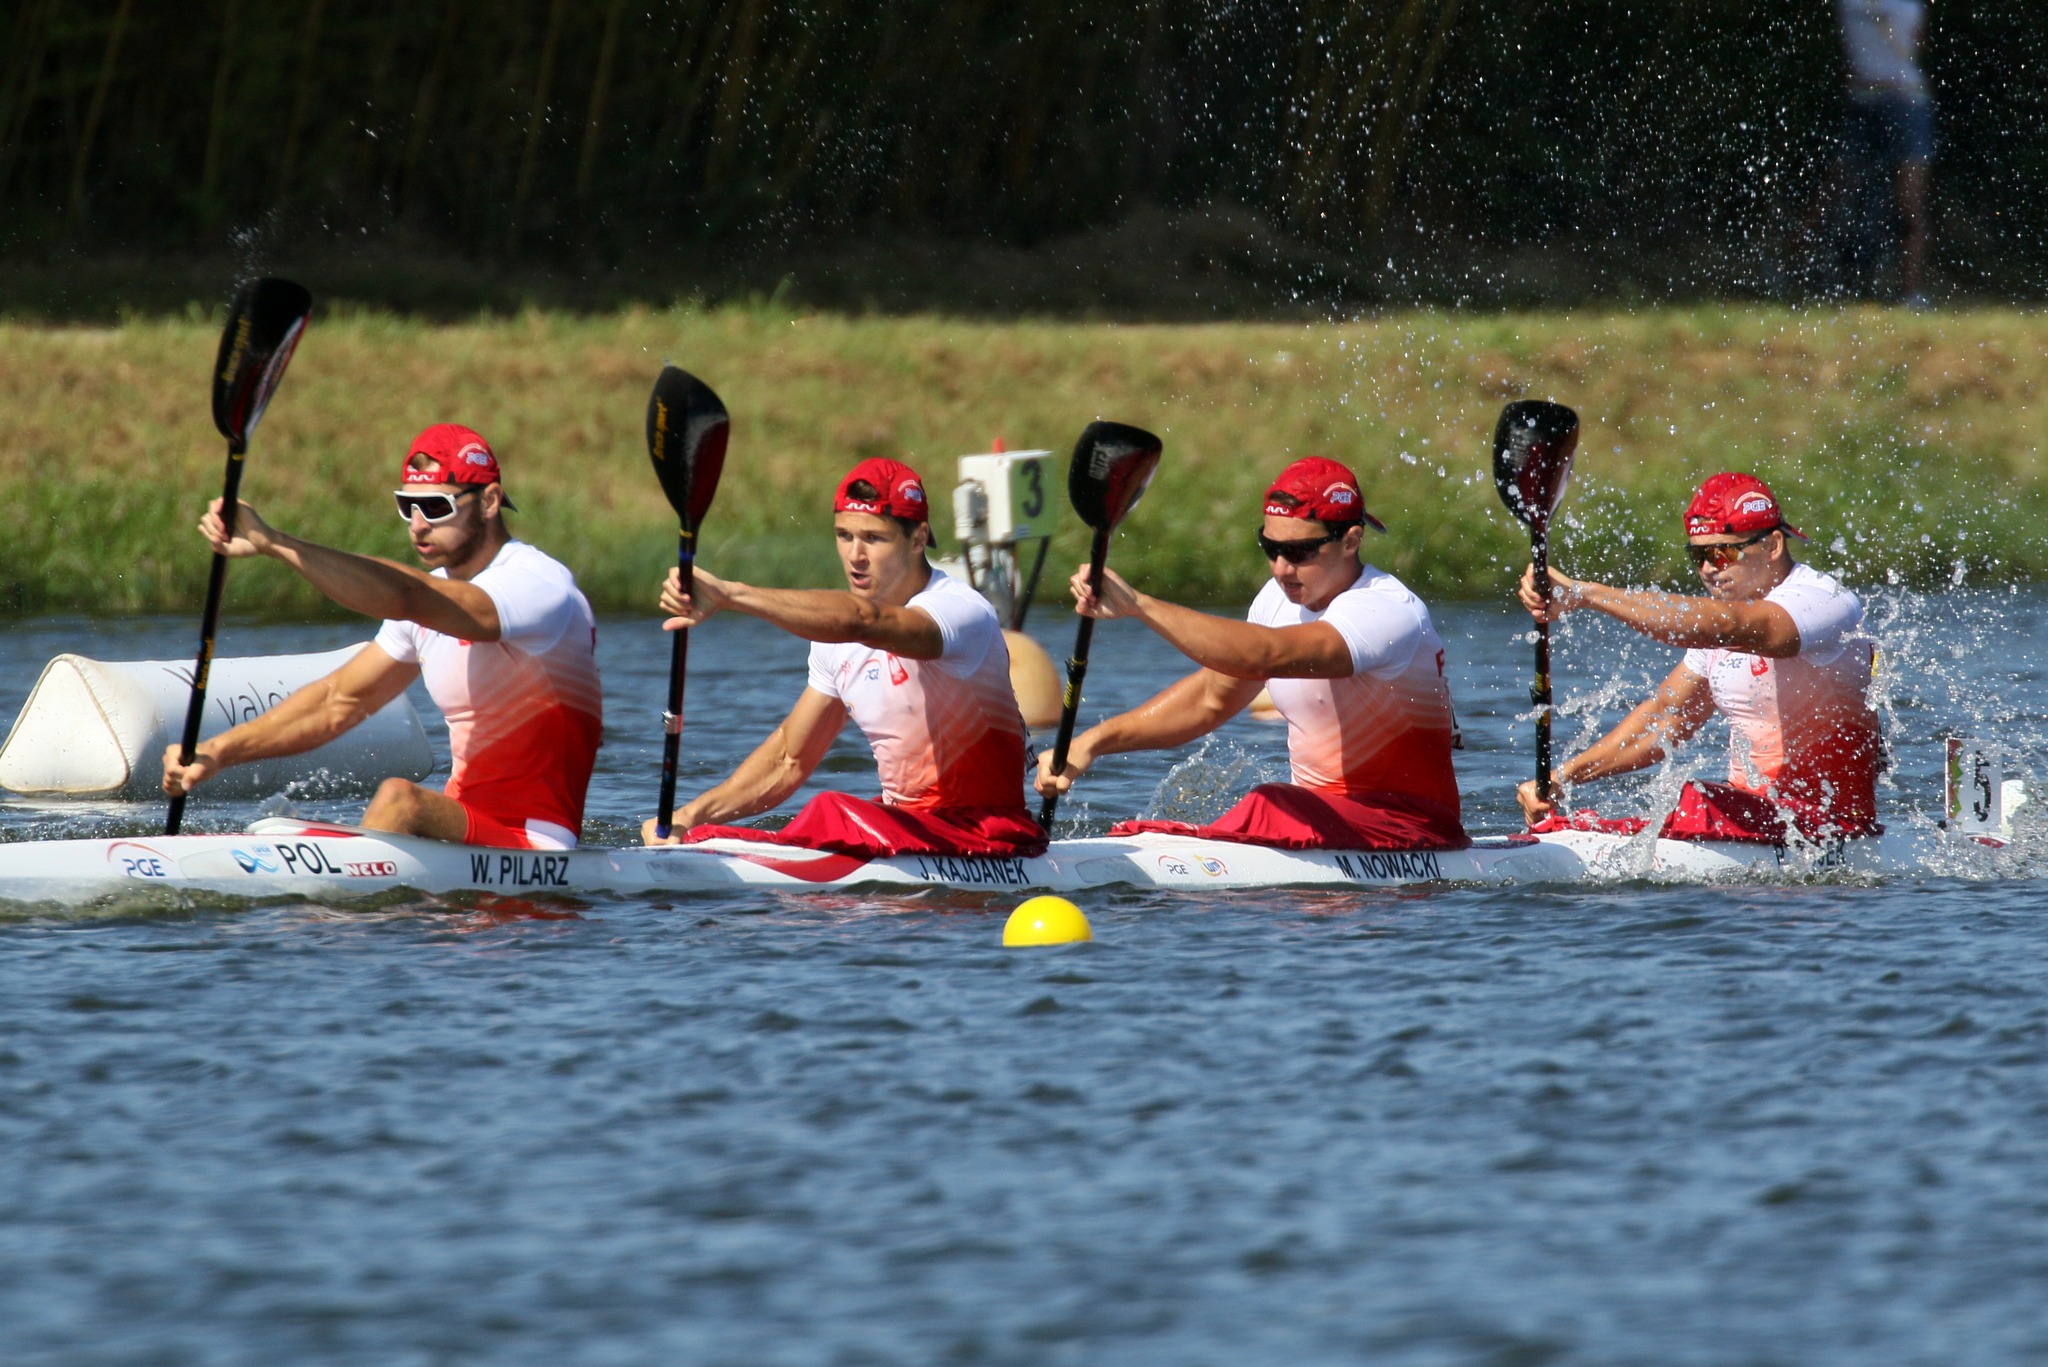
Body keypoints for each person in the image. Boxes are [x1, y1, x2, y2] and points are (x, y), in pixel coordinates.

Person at [161, 424, 603, 849]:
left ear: (488, 502)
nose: (417, 524)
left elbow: (409, 595)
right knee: (280, 828)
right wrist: (217, 752)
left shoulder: (537, 586)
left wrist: (275, 543)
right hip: (464, 832)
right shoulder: (427, 603)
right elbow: (339, 702)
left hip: (535, 841)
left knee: (399, 798)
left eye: (435, 508)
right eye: (407, 506)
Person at [1034, 457, 1466, 851]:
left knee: (1271, 801)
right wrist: (1091, 742)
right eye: (1270, 548)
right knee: (1273, 803)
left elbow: (1266, 656)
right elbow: (1211, 698)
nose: (1281, 568)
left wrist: (1140, 606)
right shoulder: (1276, 600)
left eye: (1299, 552)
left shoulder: (1384, 610)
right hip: (1320, 827)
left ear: (1351, 541)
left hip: (1412, 828)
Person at [642, 457, 1043, 857]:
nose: (855, 555)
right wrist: (688, 817)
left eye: (874, 538)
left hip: (988, 834)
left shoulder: (960, 612)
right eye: (844, 535)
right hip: (906, 832)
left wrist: (732, 596)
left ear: (918, 539)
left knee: (830, 809)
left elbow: (864, 622)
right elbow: (789, 759)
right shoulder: (834, 640)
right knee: (706, 838)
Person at [1515, 472, 1881, 841]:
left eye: (1723, 552)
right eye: (1698, 556)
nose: (1708, 569)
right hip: (1757, 822)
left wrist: (1586, 595)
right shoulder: (1724, 616)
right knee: (1673, 808)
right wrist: (1561, 777)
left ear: (1772, 546)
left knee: (1698, 799)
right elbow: (1666, 718)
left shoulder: (1823, 602)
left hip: (1833, 825)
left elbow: (1729, 627)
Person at [1836, 0, 1933, 304]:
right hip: (1883, 101)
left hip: (1898, 100)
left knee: (1907, 204)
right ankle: (1908, 290)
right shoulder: (1903, 6)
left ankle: (1909, 290)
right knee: (1834, 194)